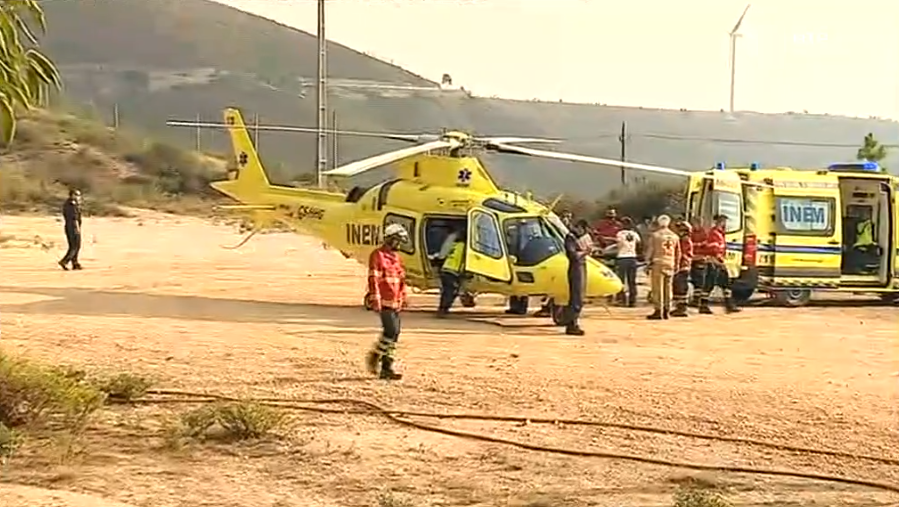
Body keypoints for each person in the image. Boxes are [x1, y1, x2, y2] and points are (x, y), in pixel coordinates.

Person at [365, 223, 410, 380]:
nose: (399, 245)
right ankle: (376, 356)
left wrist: (403, 297)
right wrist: (375, 298)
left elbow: (401, 279)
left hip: (395, 302)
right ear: (391, 239)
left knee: (394, 333)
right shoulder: (377, 255)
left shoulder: (396, 258)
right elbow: (373, 278)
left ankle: (386, 366)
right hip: (384, 301)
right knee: (391, 331)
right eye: (398, 241)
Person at [701, 214, 741, 314]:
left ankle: (729, 305)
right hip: (714, 261)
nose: (724, 223)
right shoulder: (714, 233)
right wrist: (719, 259)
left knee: (726, 284)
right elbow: (713, 248)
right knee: (709, 284)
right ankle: (703, 305)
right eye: (723, 221)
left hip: (719, 261)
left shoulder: (720, 233)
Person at [644, 215, 680, 320]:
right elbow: (678, 252)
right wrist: (677, 264)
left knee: (658, 288)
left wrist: (647, 262)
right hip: (670, 263)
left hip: (658, 263)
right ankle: (667, 310)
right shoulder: (675, 236)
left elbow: (651, 250)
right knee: (668, 288)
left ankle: (658, 310)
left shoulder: (655, 235)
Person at [562, 219, 591, 335]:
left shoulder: (579, 238)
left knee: (580, 296)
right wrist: (585, 252)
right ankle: (571, 323)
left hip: (581, 265)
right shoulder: (571, 238)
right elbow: (572, 255)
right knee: (576, 296)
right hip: (576, 267)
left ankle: (573, 321)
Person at [608, 217, 640, 307]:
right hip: (632, 257)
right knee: (632, 281)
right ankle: (632, 301)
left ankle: (621, 299)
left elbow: (618, 244)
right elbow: (639, 244)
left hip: (622, 257)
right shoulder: (635, 234)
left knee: (621, 280)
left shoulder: (620, 233)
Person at [435, 228, 466, 317]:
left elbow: (442, 255)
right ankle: (443, 310)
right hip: (452, 271)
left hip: (446, 269)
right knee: (450, 291)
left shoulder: (454, 244)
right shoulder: (464, 247)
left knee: (448, 291)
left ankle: (443, 308)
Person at [670, 220, 694, 317]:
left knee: (681, 287)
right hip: (682, 266)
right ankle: (679, 307)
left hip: (682, 266)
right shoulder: (684, 239)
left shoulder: (685, 240)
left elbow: (682, 253)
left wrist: (677, 264)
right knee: (678, 287)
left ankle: (682, 309)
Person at [58, 189, 83, 271]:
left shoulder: (72, 203)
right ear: (72, 195)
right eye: (77, 195)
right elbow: (74, 217)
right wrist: (77, 228)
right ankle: (64, 261)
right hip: (73, 226)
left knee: (75, 246)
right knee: (75, 246)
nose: (79, 197)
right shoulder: (71, 204)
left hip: (71, 226)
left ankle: (75, 263)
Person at [688, 216, 709, 307]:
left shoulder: (704, 233)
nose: (693, 225)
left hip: (700, 258)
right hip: (693, 258)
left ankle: (697, 300)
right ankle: (696, 298)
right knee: (694, 279)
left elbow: (705, 246)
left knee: (699, 280)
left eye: (694, 223)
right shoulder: (691, 232)